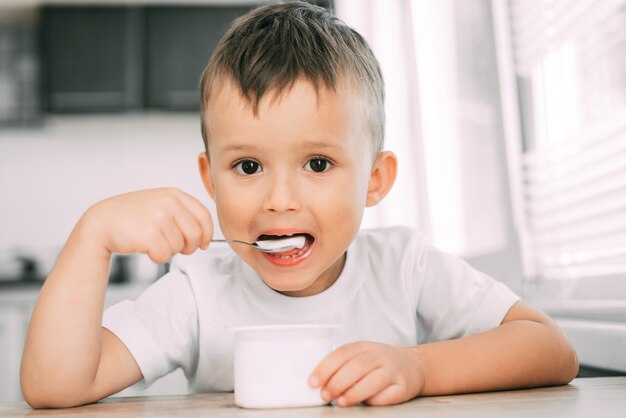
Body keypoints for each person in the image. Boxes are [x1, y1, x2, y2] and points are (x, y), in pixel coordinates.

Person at [20, 1, 578, 409]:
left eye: (317, 164)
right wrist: (90, 237)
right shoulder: (197, 291)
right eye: (247, 167)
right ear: (208, 179)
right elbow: (54, 387)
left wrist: (418, 367)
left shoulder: (405, 267)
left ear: (375, 180)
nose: (279, 201)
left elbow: (551, 348)